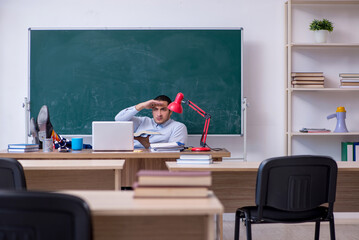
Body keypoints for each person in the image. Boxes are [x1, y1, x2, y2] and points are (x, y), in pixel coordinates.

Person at [115, 95, 188, 148]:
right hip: (132, 158)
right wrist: (142, 105)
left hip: (158, 163)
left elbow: (174, 150)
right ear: (152, 111)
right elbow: (119, 119)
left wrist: (149, 146)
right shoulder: (142, 121)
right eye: (155, 109)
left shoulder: (178, 127)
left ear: (170, 111)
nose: (159, 114)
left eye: (163, 109)